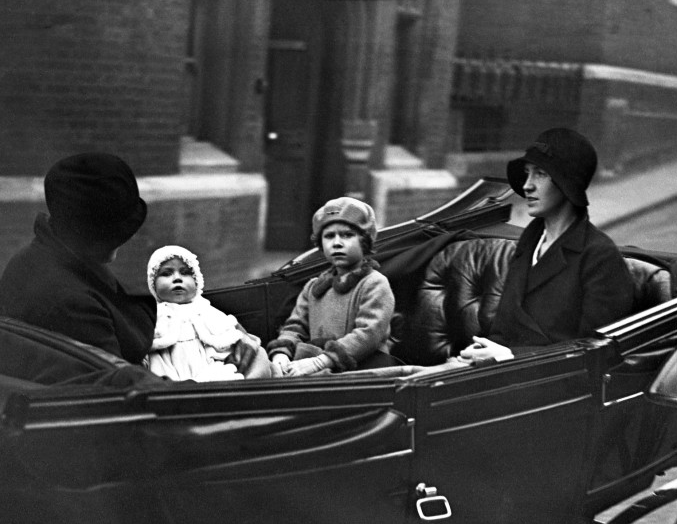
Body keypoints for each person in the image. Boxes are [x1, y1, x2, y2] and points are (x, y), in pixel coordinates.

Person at [0, 152, 259, 375]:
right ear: (96, 234)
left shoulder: (39, 260)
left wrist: (225, 330)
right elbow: (122, 387)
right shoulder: (69, 302)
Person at [460, 128, 634, 363]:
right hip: (501, 376)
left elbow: (596, 353)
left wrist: (511, 357)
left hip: (549, 387)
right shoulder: (530, 241)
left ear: (567, 182)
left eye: (540, 173)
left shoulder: (599, 256)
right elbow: (504, 327)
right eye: (526, 173)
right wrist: (477, 355)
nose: (527, 186)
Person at [266, 196, 396, 376]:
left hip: (364, 368)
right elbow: (295, 327)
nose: (337, 243)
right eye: (329, 236)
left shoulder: (374, 283)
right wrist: (282, 353)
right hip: (317, 364)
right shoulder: (314, 287)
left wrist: (321, 361)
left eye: (347, 235)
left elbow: (369, 334)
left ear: (365, 241)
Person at [145, 245, 272, 381]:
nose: (177, 278)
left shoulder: (208, 311)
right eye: (166, 273)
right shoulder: (153, 315)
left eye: (185, 272)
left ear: (196, 281)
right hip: (168, 373)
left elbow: (240, 339)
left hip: (212, 372)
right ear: (153, 284)